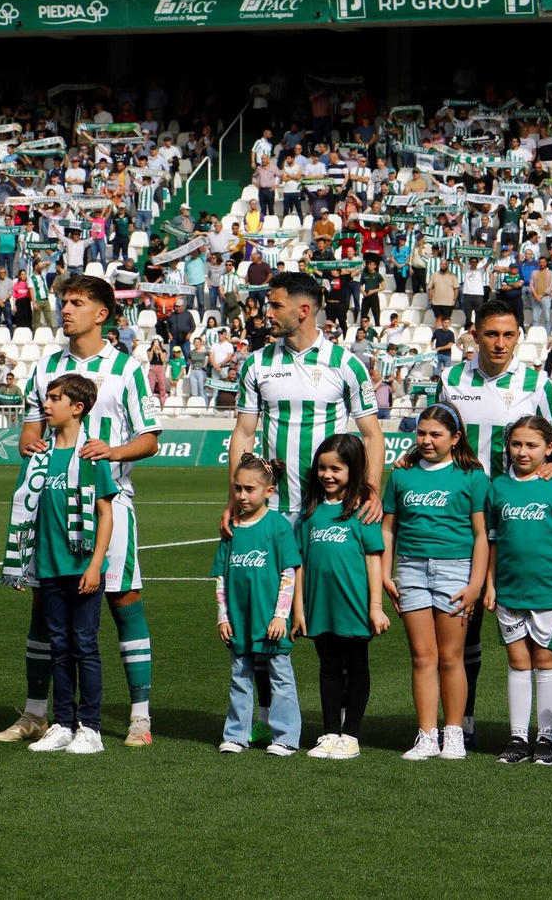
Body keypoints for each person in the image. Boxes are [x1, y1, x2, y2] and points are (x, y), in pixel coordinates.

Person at [2, 276, 162, 747]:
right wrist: (31, 445)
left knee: (123, 599)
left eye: (76, 302)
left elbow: (150, 439)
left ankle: (139, 717)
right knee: (44, 604)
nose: (66, 310)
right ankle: (37, 713)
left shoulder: (127, 369)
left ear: (102, 313)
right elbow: (28, 433)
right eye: (63, 302)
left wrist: (111, 452)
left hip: (109, 500)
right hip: (51, 501)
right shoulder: (45, 367)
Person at [226, 271, 383, 742]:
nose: (267, 313)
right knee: (260, 619)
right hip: (272, 513)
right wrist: (235, 500)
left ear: (303, 309)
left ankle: (339, 728)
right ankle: (270, 721)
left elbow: (372, 435)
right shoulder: (257, 363)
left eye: (274, 305)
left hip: (327, 513)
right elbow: (244, 433)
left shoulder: (346, 364)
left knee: (332, 624)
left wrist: (370, 490)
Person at [437, 299, 552, 749]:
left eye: (508, 334)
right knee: (466, 619)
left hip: (519, 521)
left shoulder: (537, 383)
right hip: (462, 514)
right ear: (474, 334)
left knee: (547, 634)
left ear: (519, 337)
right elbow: (436, 433)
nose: (500, 343)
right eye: (491, 334)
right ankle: (465, 720)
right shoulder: (451, 379)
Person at [6, 373, 119, 755]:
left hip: (82, 568)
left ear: (77, 407)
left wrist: (95, 564)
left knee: (84, 646)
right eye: (47, 397)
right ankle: (63, 724)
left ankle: (91, 728)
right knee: (58, 647)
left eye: (55, 398)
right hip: (49, 568)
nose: (47, 404)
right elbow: (26, 513)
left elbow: (105, 514)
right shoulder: (39, 457)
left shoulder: (91, 456)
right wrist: (22, 564)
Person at [381, 403, 488, 761]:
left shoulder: (473, 476)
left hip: (456, 570)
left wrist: (476, 584)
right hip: (410, 570)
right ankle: (426, 735)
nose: (426, 440)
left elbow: (481, 535)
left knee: (451, 658)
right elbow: (388, 529)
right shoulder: (401, 476)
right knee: (422, 657)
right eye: (421, 433)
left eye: (436, 434)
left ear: (455, 438)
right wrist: (386, 574)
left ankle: (453, 733)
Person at [484, 415, 552, 766]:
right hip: (510, 591)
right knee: (517, 661)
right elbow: (493, 541)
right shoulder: (498, 487)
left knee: (545, 660)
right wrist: (490, 584)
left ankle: (545, 738)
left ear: (549, 447)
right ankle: (517, 737)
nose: (522, 452)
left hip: (550, 591)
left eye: (531, 445)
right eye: (516, 444)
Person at [292, 434, 388, 761]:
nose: (327, 475)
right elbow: (300, 563)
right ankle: (331, 733)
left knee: (357, 668)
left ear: (354, 469)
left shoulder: (363, 512)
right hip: (320, 608)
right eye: (322, 468)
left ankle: (351, 736)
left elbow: (373, 560)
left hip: (355, 607)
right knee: (328, 669)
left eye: (336, 469)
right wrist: (299, 608)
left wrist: (375, 607)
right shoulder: (310, 513)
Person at [213, 454, 302, 755]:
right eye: (237, 488)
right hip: (239, 618)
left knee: (280, 676)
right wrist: (223, 617)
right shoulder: (231, 529)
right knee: (240, 676)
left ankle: (286, 737)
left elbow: (288, 573)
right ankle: (236, 735)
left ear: (269, 491)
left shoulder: (278, 526)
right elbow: (221, 577)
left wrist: (280, 616)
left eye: (249, 489)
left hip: (270, 619)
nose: (242, 495)